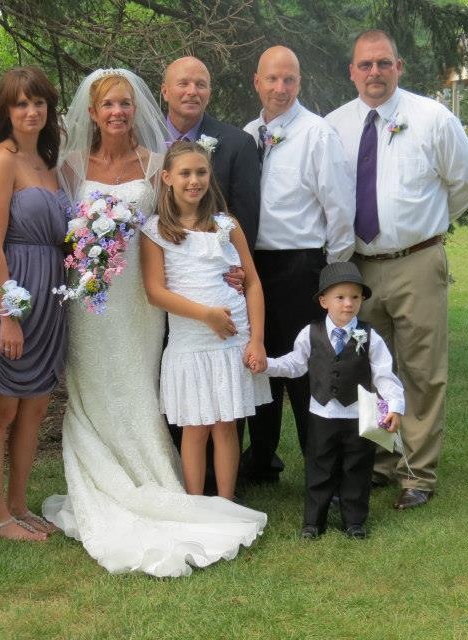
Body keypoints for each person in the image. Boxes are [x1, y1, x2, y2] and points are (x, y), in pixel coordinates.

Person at [42, 69, 266, 578]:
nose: (118, 112)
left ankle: (160, 474)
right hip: (93, 301)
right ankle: (102, 476)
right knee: (95, 387)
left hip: (147, 302)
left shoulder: (157, 163)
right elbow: (58, 233)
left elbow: (186, 220)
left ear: (135, 108)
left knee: (141, 386)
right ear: (92, 114)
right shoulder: (72, 167)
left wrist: (223, 268)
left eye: (125, 103)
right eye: (108, 106)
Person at [325, 30, 468, 510]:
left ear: (399, 66)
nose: (375, 73)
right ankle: (379, 462)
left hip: (417, 263)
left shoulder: (432, 118)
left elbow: (467, 183)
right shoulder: (334, 125)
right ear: (351, 71)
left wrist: (422, 228)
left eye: (383, 63)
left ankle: (418, 475)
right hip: (359, 270)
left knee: (421, 370)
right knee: (368, 371)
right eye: (365, 65)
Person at [240, 45, 355, 485]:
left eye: (289, 79)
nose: (280, 88)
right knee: (261, 363)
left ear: (299, 83)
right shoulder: (248, 134)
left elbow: (341, 211)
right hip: (255, 269)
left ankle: (321, 466)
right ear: (257, 81)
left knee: (306, 370)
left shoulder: (317, 133)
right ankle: (263, 457)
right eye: (272, 79)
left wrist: (331, 274)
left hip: (302, 267)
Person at [140, 141, 270, 500]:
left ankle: (226, 501)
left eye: (201, 172)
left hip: (233, 340)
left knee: (226, 424)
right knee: (195, 426)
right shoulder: (155, 231)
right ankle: (196, 501)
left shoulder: (226, 226)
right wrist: (207, 315)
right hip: (191, 342)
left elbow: (253, 281)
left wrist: (256, 339)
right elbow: (155, 292)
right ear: (167, 178)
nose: (194, 180)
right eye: (185, 173)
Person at [0, 67, 69, 542]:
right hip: (15, 292)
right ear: (5, 112)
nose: (31, 111)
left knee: (34, 409)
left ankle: (18, 504)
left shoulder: (48, 162)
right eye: (20, 104)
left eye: (39, 102)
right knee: (3, 411)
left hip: (52, 295)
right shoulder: (1, 160)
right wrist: (7, 315)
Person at [253, 262, 405, 539]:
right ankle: (313, 522)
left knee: (356, 470)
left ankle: (355, 521)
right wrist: (268, 366)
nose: (348, 304)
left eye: (355, 297)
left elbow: (384, 374)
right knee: (319, 468)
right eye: (340, 297)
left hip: (359, 417)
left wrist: (395, 405)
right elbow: (295, 364)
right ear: (324, 301)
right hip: (321, 416)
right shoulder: (310, 334)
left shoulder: (370, 337)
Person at [161, 56, 260, 248]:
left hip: (213, 264)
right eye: (183, 84)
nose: (192, 92)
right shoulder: (143, 140)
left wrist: (238, 267)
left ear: (209, 93)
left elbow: (245, 218)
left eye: (201, 85)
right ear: (165, 91)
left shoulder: (238, 144)